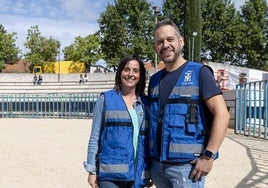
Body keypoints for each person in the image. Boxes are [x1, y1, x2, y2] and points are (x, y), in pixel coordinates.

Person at [148, 19, 230, 188]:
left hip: (187, 168)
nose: (165, 45)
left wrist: (208, 156)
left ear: (181, 41)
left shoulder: (199, 72)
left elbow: (222, 114)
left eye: (170, 39)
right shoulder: (154, 80)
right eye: (160, 42)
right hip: (157, 167)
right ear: (155, 47)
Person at [83, 54, 150, 188]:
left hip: (139, 173)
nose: (131, 74)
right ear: (120, 72)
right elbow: (95, 137)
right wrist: (92, 171)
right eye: (126, 69)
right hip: (110, 175)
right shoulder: (105, 99)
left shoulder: (146, 103)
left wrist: (150, 171)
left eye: (135, 71)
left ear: (140, 75)